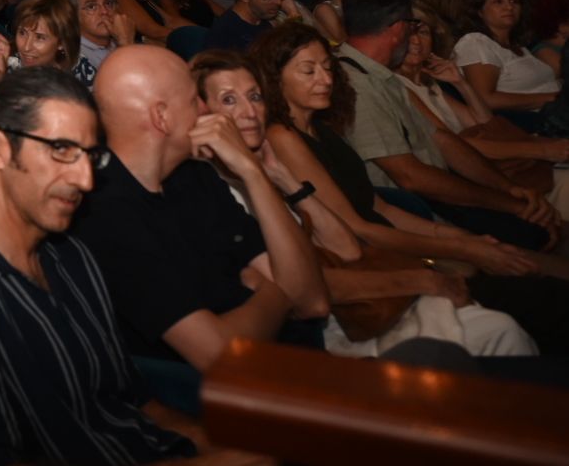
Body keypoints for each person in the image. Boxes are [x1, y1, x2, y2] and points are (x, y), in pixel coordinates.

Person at [0, 67, 201, 465]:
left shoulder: (72, 254)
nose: (85, 179)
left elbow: (136, 402)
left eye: (89, 155)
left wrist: (215, 448)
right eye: (62, 150)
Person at [194, 49, 536, 359]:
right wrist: (425, 277)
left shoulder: (268, 163)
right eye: (229, 100)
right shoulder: (214, 189)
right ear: (201, 111)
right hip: (326, 332)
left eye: (254, 96)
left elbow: (347, 246)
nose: (249, 111)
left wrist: (285, 179)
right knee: (499, 330)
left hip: (355, 296)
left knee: (500, 324)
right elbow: (307, 293)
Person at [252, 22, 569, 352]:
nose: (326, 79)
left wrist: (457, 238)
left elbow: (380, 207)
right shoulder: (282, 137)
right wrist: (463, 249)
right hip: (371, 264)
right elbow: (359, 228)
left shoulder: (323, 129)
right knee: (531, 307)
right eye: (308, 71)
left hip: (395, 247)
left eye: (327, 67)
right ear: (276, 77)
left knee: (536, 288)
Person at [75, 45, 330, 370]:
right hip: (243, 401)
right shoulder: (105, 214)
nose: (205, 109)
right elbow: (219, 355)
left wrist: (252, 173)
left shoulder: (193, 175)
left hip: (300, 366)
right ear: (161, 117)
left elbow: (312, 301)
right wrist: (275, 294)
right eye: (194, 99)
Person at [336, 0, 561, 253]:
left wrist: (508, 190)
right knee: (536, 239)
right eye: (411, 26)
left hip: (442, 195)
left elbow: (443, 140)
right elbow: (410, 176)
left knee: (541, 226)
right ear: (397, 29)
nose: (414, 37)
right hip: (413, 212)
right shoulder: (356, 85)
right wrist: (509, 204)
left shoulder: (380, 75)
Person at [452, 0, 562, 125]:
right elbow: (485, 99)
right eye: (498, 1)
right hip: (531, 123)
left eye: (514, 1)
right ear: (479, 10)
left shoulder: (518, 46)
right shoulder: (475, 42)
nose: (509, 7)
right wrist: (554, 98)